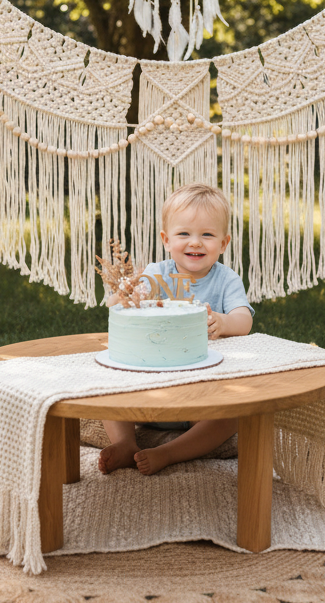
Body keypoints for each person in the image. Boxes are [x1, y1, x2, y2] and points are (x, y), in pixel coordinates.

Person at [100, 183, 254, 475]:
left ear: (223, 243)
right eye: (184, 234)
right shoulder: (156, 273)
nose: (195, 242)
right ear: (166, 240)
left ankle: (169, 452)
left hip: (202, 399)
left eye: (207, 235)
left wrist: (223, 321)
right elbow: (113, 304)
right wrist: (127, 294)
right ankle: (125, 443)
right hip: (148, 393)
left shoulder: (226, 280)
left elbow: (244, 319)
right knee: (106, 389)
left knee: (236, 416)